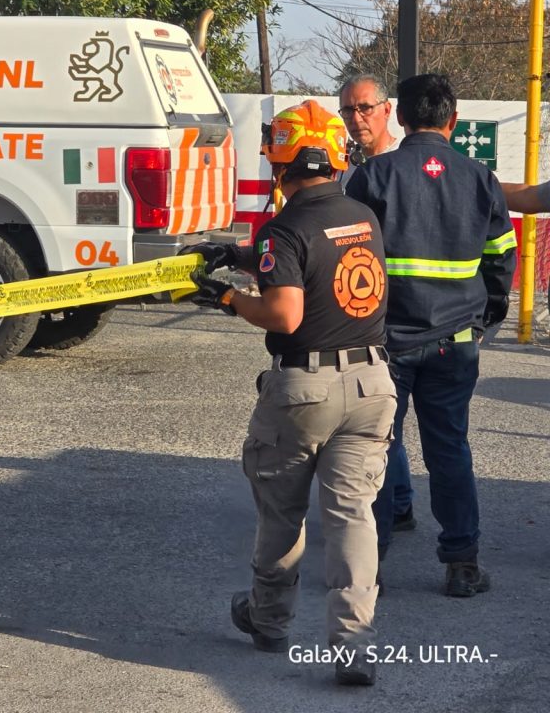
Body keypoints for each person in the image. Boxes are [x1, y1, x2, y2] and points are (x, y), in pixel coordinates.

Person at [184, 100, 396, 687]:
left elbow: (285, 311)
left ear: (282, 164)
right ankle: (354, 645)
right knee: (353, 516)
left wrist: (229, 297)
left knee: (282, 512)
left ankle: (270, 620)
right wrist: (242, 256)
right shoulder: (362, 215)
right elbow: (315, 262)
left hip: (305, 390)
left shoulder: (283, 228)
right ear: (334, 158)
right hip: (372, 383)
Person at [345, 74, 517, 598]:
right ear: (454, 121)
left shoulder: (372, 176)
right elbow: (501, 260)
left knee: (376, 450)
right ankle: (462, 564)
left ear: (399, 118)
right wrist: (484, 321)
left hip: (384, 343)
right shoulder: (481, 179)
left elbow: (349, 261)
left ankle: (368, 569)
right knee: (450, 449)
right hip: (456, 342)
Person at [338, 74, 415, 531]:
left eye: (365, 107)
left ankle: (387, 515)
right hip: (363, 311)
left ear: (388, 111)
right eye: (348, 110)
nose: (357, 117)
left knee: (382, 421)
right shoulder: (349, 170)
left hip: (402, 317)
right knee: (382, 419)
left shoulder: (401, 167)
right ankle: (399, 501)